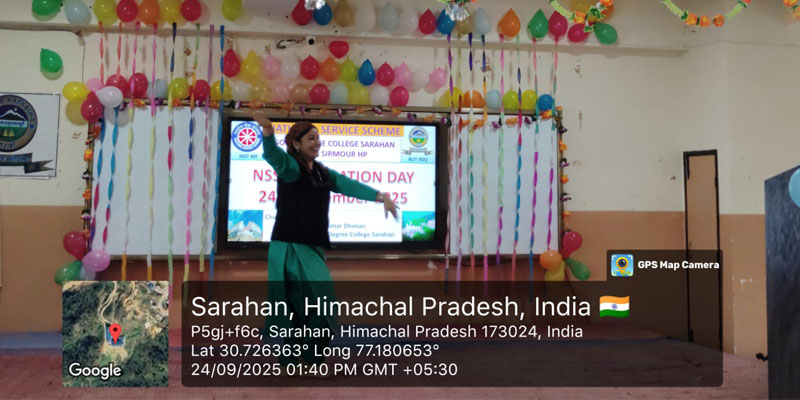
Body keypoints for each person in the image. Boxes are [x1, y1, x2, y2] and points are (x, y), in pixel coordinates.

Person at [253, 111, 398, 370]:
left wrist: (381, 196)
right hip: (290, 247)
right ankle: (304, 359)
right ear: (296, 144)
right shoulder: (291, 168)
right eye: (311, 138)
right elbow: (274, 156)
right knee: (313, 304)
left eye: (318, 138)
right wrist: (268, 133)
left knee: (307, 307)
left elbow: (347, 185)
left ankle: (298, 359)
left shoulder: (321, 172)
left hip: (311, 247)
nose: (317, 142)